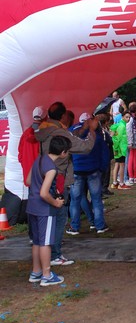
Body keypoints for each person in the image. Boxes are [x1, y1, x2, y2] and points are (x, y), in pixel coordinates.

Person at [35, 101, 97, 266]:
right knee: (60, 216)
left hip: (42, 177)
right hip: (58, 179)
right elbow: (85, 147)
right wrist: (92, 130)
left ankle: (48, 253)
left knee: (48, 219)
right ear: (63, 116)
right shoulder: (61, 134)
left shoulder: (42, 130)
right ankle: (54, 255)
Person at [27, 135, 72, 286]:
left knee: (37, 242)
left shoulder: (38, 160)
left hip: (31, 206)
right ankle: (46, 275)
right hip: (44, 209)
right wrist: (56, 203)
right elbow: (44, 193)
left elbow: (27, 181)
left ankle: (36, 272)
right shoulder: (52, 168)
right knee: (45, 242)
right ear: (63, 152)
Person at [66, 113, 110, 234]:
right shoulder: (97, 137)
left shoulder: (72, 133)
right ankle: (100, 225)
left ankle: (75, 227)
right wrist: (101, 168)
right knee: (96, 199)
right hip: (94, 170)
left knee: (75, 199)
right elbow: (105, 155)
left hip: (77, 171)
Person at [110, 110, 131, 189]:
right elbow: (119, 139)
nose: (128, 119)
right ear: (122, 117)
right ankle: (121, 183)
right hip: (120, 149)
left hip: (118, 148)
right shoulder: (122, 126)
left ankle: (115, 182)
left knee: (117, 164)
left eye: (129, 117)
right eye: (126, 117)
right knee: (122, 166)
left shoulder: (119, 125)